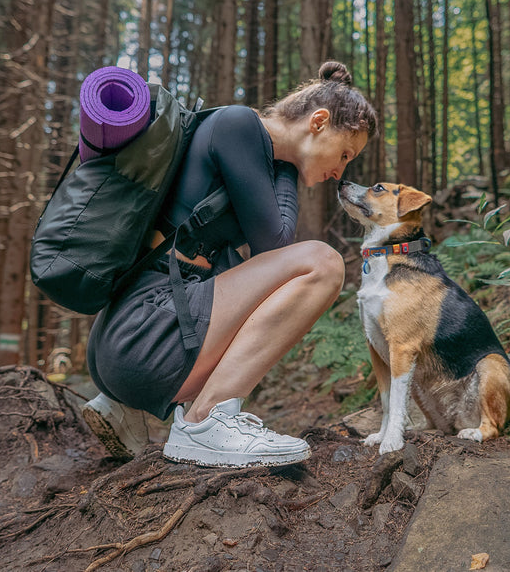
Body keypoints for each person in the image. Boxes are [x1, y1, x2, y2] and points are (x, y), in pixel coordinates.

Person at [82, 61, 377, 468]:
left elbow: (258, 265)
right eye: (344, 154)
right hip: (142, 335)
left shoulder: (246, 145)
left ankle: (134, 408)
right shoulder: (238, 125)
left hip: (131, 339)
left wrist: (286, 161)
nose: (340, 172)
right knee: (323, 264)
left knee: (252, 268)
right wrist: (289, 164)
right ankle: (205, 422)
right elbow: (275, 246)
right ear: (318, 121)